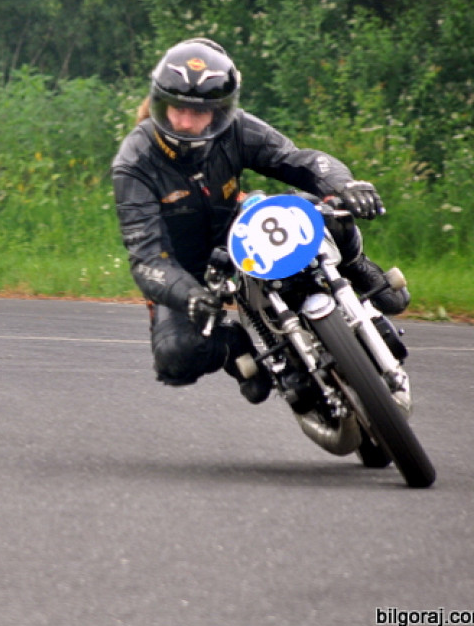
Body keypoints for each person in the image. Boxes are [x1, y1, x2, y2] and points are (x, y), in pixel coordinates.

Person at [111, 38, 409, 403]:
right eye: (177, 109)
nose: (186, 122)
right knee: (176, 356)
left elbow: (299, 160)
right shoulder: (135, 162)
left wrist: (345, 185)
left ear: (220, 110)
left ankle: (354, 265)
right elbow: (146, 257)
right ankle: (234, 346)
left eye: (199, 111)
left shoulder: (236, 128)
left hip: (235, 226)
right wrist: (188, 294)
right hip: (182, 267)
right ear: (159, 103)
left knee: (323, 207)